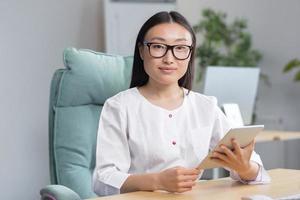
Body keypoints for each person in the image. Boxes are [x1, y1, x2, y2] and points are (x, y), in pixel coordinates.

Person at [92, 11, 270, 196]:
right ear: (142, 51)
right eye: (158, 46)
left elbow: (255, 170)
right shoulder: (119, 106)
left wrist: (244, 168)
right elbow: (103, 180)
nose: (169, 58)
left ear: (190, 53)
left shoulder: (206, 106)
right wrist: (157, 181)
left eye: (180, 48)